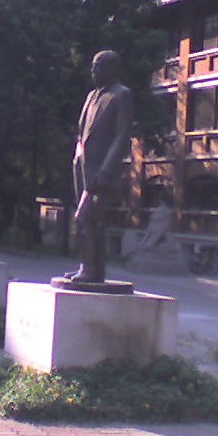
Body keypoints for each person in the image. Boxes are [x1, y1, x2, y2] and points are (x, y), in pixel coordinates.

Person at [64, 50, 134, 284]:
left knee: (83, 218)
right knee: (94, 222)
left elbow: (122, 136)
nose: (94, 71)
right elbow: (81, 132)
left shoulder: (122, 95)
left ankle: (89, 270)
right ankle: (92, 270)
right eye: (93, 66)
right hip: (83, 168)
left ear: (112, 69)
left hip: (102, 171)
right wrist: (77, 159)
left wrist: (106, 170)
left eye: (99, 66)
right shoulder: (91, 96)